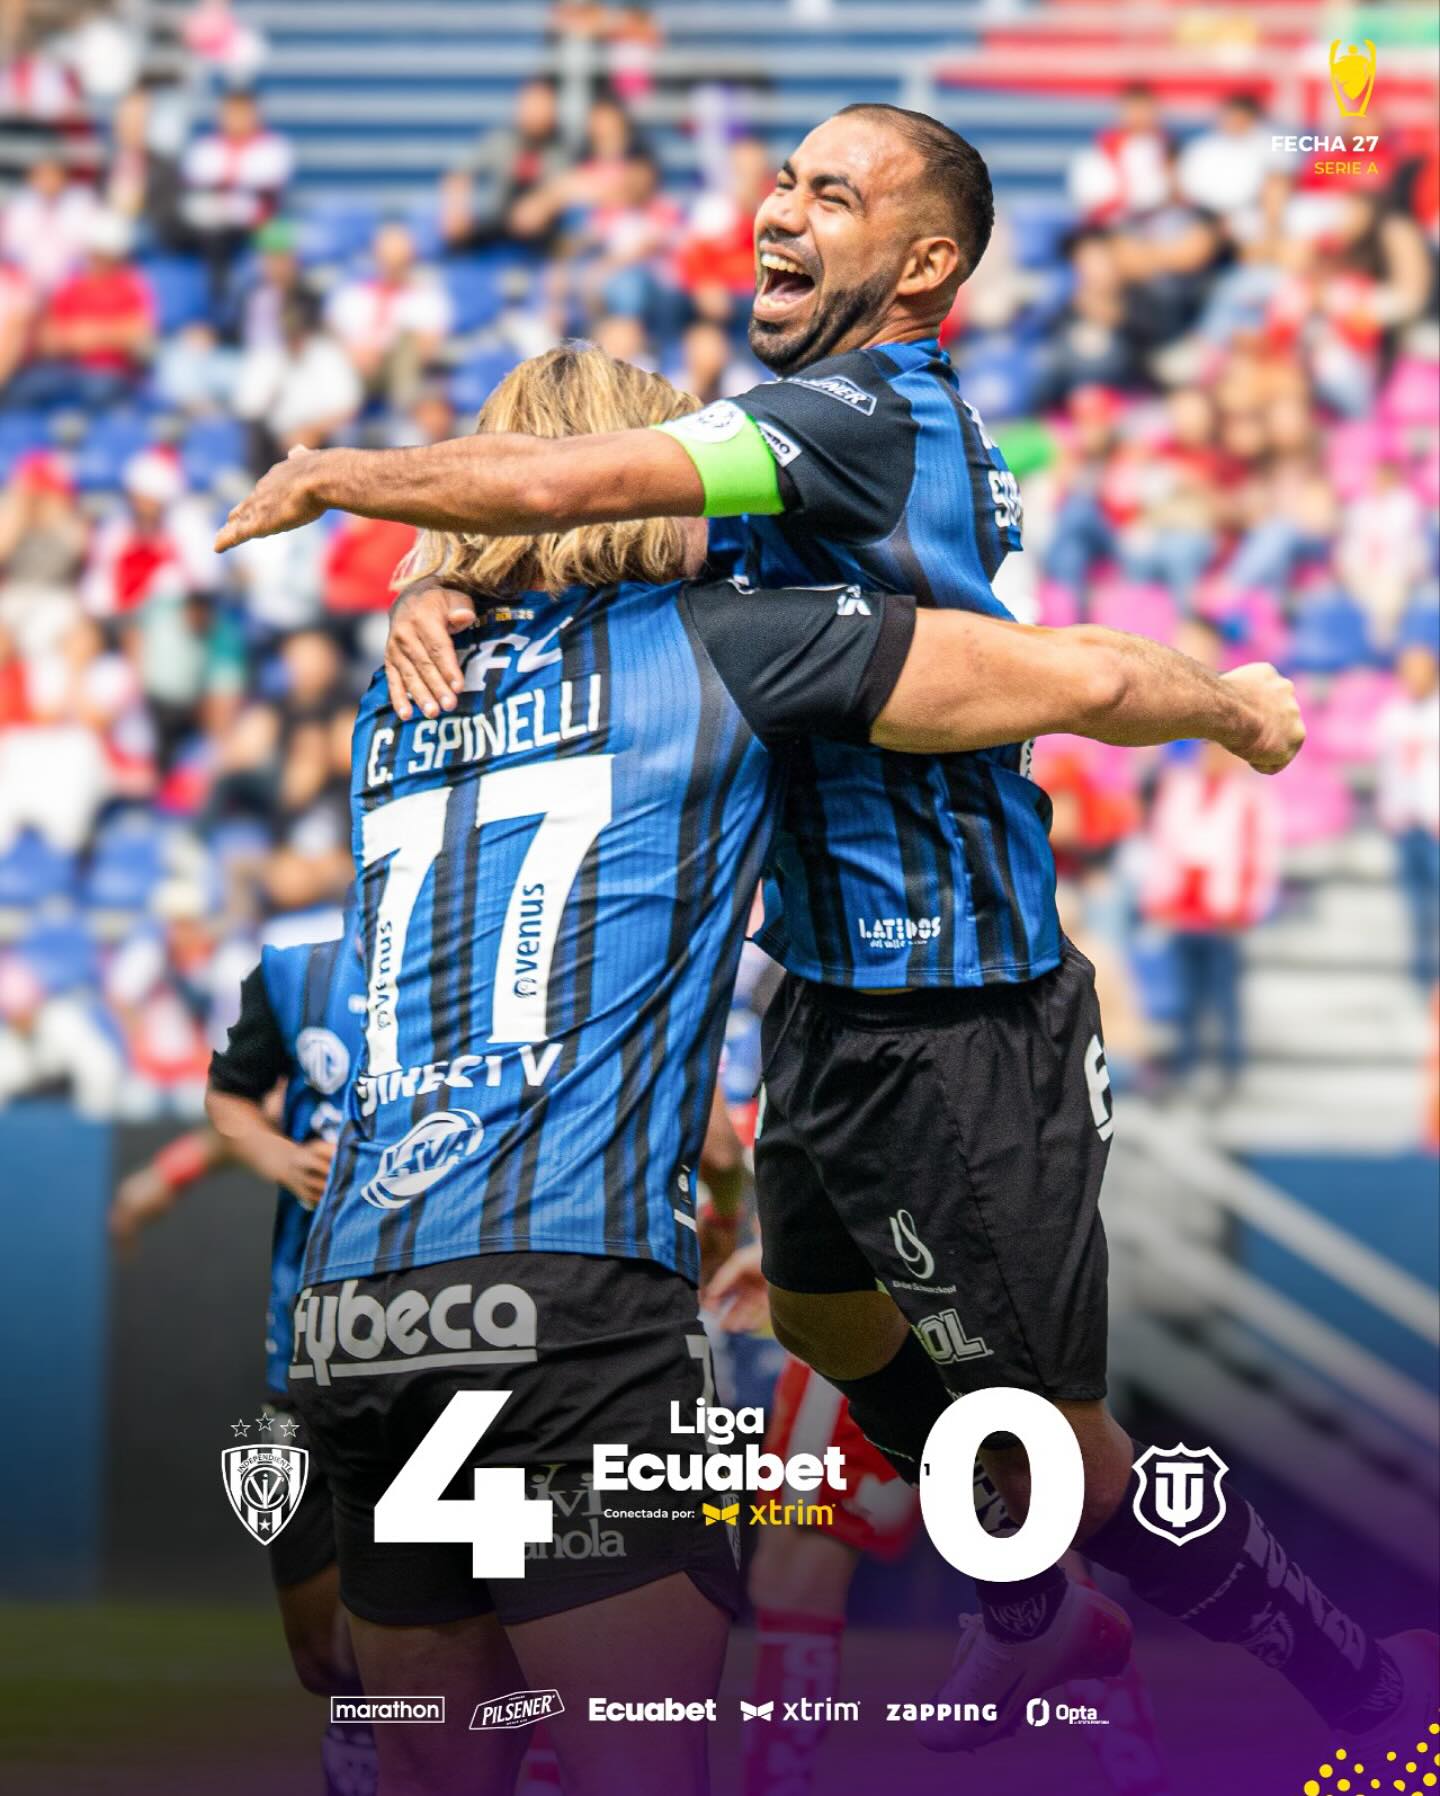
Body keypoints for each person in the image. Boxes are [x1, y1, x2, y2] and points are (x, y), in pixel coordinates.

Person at [209, 104, 1413, 1755]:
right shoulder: (770, 472)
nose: (777, 209)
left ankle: (1357, 1677)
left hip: (960, 995)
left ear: (925, 264)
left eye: (829, 193)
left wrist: (1236, 707)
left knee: (1053, 1456)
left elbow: (574, 484)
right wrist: (449, 582)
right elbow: (591, 542)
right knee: (830, 1326)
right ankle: (1025, 1607)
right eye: (782, 178)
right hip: (829, 997)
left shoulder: (858, 414)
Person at [114, 920, 380, 1796]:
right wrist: (250, 1163)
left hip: (428, 1340)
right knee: (320, 1655)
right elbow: (236, 1109)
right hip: (299, 1345)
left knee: (420, 1613)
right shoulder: (303, 984)